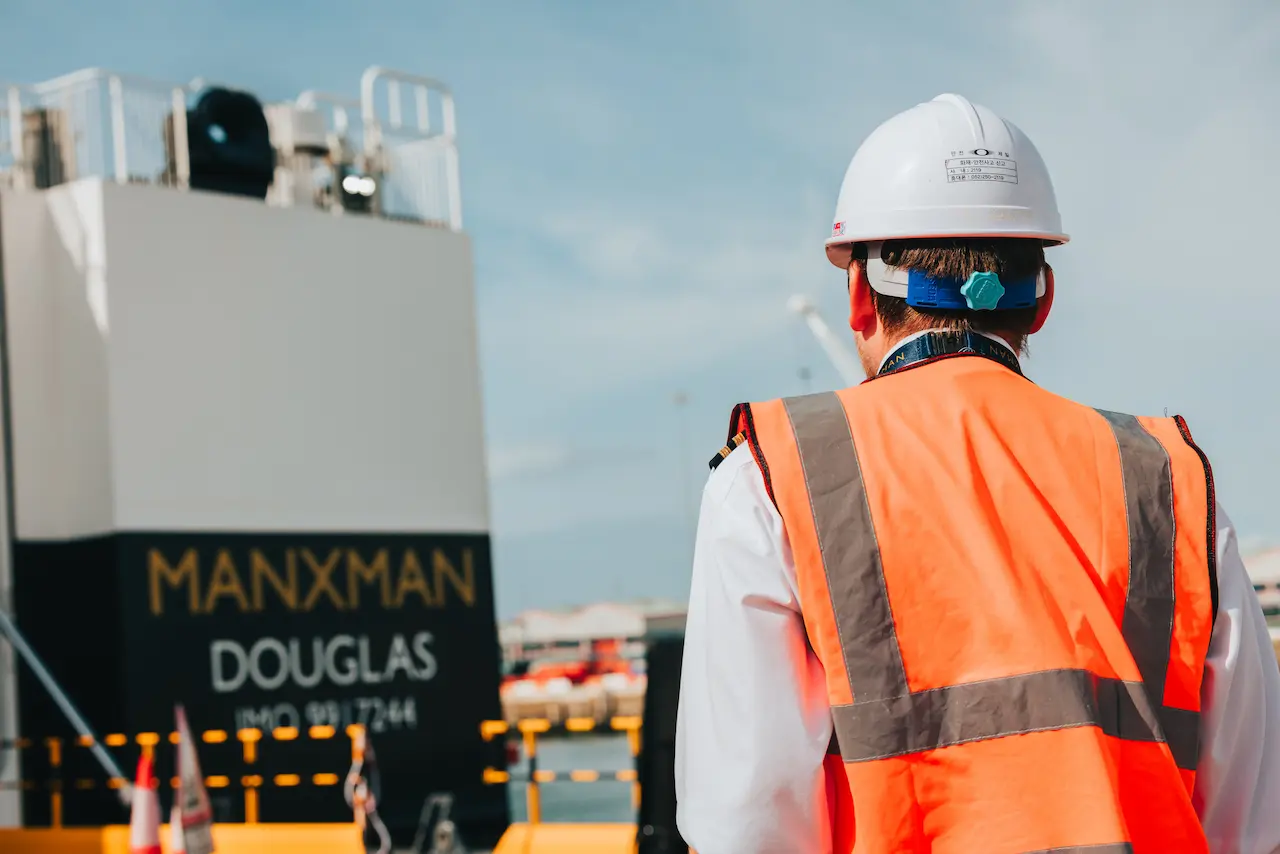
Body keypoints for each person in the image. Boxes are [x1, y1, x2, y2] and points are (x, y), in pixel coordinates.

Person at [674, 94, 1280, 854]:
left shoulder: (771, 478)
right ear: (1043, 299)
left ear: (859, 297)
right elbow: (1254, 820)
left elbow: (745, 825)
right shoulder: (1172, 483)